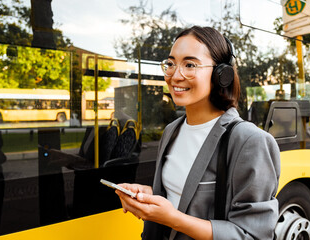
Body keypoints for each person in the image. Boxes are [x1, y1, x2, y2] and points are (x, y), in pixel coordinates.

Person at [116, 25, 280, 240]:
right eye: (171, 64)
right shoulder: (172, 131)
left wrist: (172, 218)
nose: (175, 75)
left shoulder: (250, 141)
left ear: (222, 75)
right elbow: (181, 198)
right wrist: (150, 197)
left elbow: (252, 234)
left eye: (190, 64)